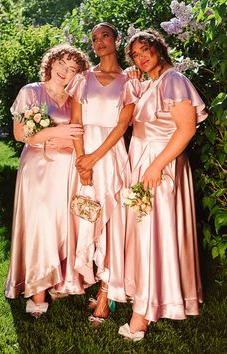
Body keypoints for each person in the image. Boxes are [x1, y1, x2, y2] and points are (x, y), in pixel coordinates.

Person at [118, 29, 208, 341]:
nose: (141, 58)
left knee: (152, 234)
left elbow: (186, 129)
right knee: (148, 235)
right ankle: (150, 297)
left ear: (159, 49)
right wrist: (132, 83)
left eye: (145, 51)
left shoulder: (173, 80)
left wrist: (157, 166)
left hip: (161, 165)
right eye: (135, 55)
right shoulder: (150, 83)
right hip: (145, 162)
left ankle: (141, 318)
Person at [5, 44, 90, 318]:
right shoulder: (31, 91)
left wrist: (64, 137)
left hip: (67, 171)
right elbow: (21, 134)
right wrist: (56, 132)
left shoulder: (75, 98)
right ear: (51, 62)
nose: (65, 72)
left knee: (63, 225)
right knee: (40, 226)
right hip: (38, 169)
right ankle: (36, 290)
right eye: (62, 64)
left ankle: (59, 279)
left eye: (73, 69)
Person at [65, 22, 139, 324]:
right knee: (88, 216)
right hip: (84, 155)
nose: (99, 42)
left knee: (113, 222)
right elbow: (76, 121)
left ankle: (108, 292)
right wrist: (82, 160)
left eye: (105, 36)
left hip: (110, 155)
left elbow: (123, 126)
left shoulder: (129, 80)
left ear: (117, 40)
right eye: (94, 39)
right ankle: (96, 277)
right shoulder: (83, 78)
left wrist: (94, 158)